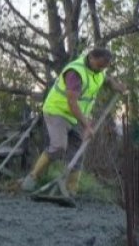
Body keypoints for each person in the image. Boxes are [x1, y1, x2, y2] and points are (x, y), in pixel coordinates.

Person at [21, 47, 128, 194]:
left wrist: (116, 86)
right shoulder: (75, 73)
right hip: (57, 111)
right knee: (59, 146)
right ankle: (33, 177)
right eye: (99, 65)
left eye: (104, 66)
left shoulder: (99, 70)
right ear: (91, 58)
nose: (101, 69)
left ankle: (71, 190)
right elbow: (72, 103)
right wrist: (87, 126)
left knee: (78, 151)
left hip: (76, 117)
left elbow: (106, 78)